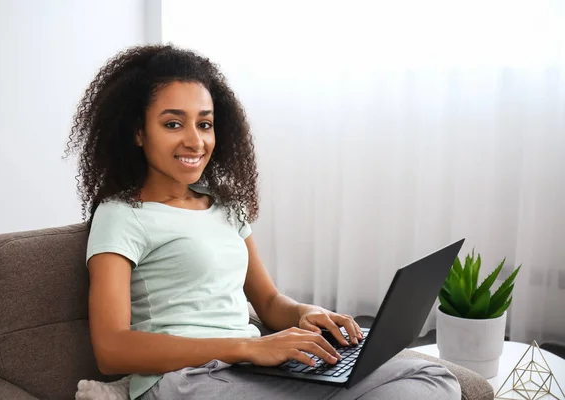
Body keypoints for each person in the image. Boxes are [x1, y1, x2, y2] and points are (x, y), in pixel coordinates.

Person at [65, 44, 460, 400]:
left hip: (251, 371)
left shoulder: (225, 206)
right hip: (186, 380)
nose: (195, 141)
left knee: (431, 377)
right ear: (137, 132)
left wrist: (305, 313)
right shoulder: (121, 215)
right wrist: (247, 348)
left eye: (204, 123)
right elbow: (111, 349)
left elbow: (269, 303)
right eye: (173, 124)